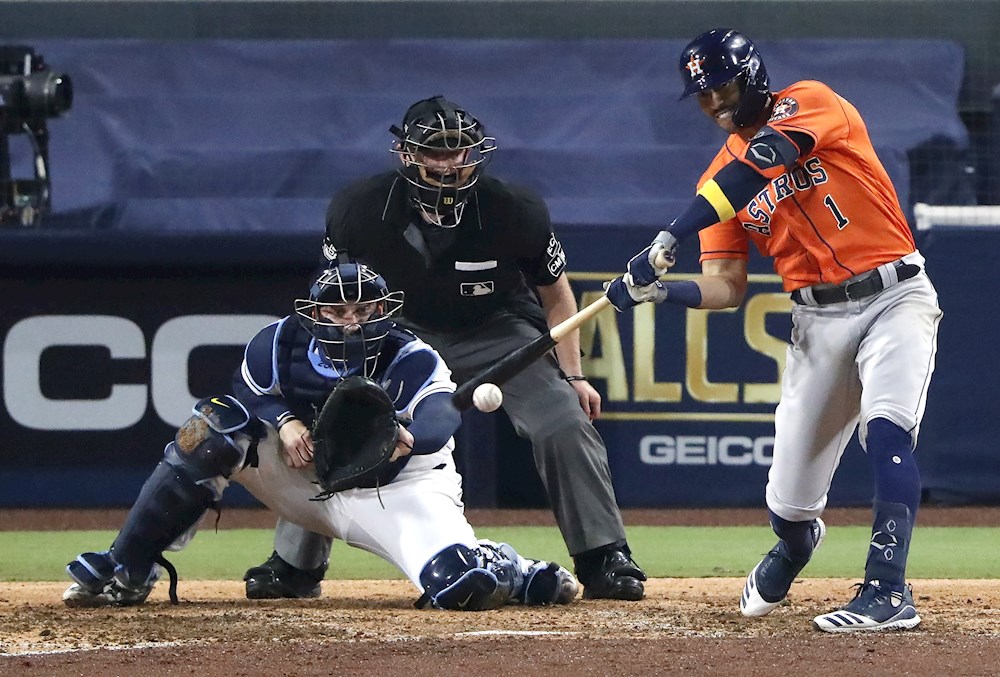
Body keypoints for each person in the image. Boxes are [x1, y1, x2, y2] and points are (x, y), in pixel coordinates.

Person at [244, 95, 647, 602]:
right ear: (406, 153)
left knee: (563, 419)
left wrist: (573, 376)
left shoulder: (513, 208)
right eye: (434, 152)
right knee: (338, 420)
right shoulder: (358, 210)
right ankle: (295, 564)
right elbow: (337, 297)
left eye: (456, 151)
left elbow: (556, 295)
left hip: (498, 334)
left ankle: (603, 555)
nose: (446, 164)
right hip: (396, 336)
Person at [607, 29, 941, 631]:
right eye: (703, 95)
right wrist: (662, 291)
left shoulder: (811, 102)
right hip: (817, 322)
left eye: (723, 87)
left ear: (754, 77)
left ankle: (888, 590)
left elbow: (760, 164)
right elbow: (726, 286)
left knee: (887, 429)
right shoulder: (715, 182)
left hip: (895, 295)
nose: (715, 103)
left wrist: (672, 233)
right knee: (788, 503)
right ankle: (795, 544)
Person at [62, 259, 579, 611]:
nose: (351, 323)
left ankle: (506, 566)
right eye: (337, 311)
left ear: (383, 310)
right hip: (306, 477)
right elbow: (249, 391)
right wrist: (286, 422)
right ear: (315, 314)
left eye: (363, 311)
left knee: (460, 587)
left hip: (395, 488)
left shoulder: (412, 355)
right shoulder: (278, 341)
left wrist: (409, 436)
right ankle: (127, 567)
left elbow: (441, 415)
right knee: (211, 428)